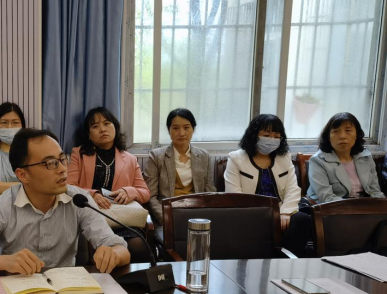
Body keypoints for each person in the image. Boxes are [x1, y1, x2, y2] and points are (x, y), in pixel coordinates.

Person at [0, 129, 130, 275]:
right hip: (18, 293)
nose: (62, 169)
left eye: (62, 159)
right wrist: (6, 262)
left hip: (65, 293)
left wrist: (112, 254)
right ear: (22, 175)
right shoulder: (1, 205)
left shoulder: (79, 199)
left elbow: (121, 249)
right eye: (50, 163)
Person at [68, 107, 151, 261]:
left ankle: (134, 277)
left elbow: (145, 192)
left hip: (120, 219)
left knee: (139, 246)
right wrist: (92, 195)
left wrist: (128, 191)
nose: (102, 129)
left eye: (107, 123)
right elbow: (68, 186)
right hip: (90, 218)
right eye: (95, 126)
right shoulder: (79, 154)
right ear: (89, 134)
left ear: (115, 127)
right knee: (102, 253)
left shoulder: (130, 159)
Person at [224, 114, 312, 257]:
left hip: (280, 210)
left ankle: (283, 262)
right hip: (249, 212)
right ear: (254, 135)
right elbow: (233, 194)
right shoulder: (236, 158)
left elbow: (293, 188)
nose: (272, 140)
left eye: (276, 136)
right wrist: (258, 214)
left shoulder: (284, 157)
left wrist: (285, 212)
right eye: (266, 135)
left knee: (303, 220)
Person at [144, 108, 216, 227]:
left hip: (198, 216)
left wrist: (204, 219)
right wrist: (166, 219)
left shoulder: (204, 156)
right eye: (176, 128)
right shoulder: (156, 157)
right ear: (169, 130)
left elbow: (210, 193)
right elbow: (151, 196)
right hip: (168, 217)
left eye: (186, 127)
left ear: (193, 129)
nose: (181, 133)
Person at [308, 112, 386, 203]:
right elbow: (327, 198)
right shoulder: (317, 161)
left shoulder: (366, 157)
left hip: (364, 207)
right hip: (332, 208)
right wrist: (355, 209)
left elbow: (375, 192)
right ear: (328, 137)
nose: (342, 136)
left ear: (357, 135)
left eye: (348, 130)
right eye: (336, 131)